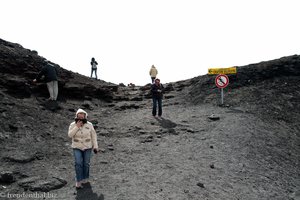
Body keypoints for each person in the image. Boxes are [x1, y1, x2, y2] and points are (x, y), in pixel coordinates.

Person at [68, 109, 99, 189]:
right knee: (78, 163)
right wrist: (77, 127)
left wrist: (95, 146)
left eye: (83, 114)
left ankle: (85, 178)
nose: (81, 116)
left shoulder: (89, 124)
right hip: (77, 147)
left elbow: (94, 136)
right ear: (77, 115)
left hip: (87, 146)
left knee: (86, 163)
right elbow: (70, 135)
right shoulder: (72, 124)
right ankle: (78, 180)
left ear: (85, 116)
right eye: (79, 114)